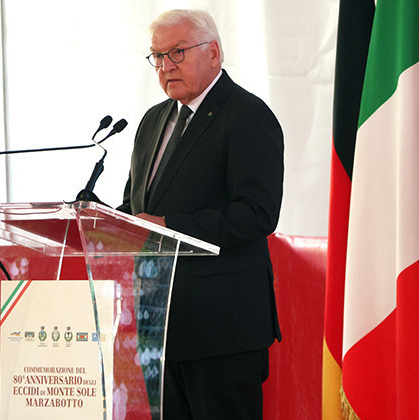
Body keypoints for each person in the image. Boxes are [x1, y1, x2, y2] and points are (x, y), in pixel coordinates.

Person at [116, 8, 284, 419]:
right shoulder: (153, 120)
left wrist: (169, 228)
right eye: (158, 56)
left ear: (213, 53)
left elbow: (257, 213)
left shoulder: (247, 115)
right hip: (159, 323)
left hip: (222, 328)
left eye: (177, 52)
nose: (166, 65)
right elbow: (137, 208)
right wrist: (98, 221)